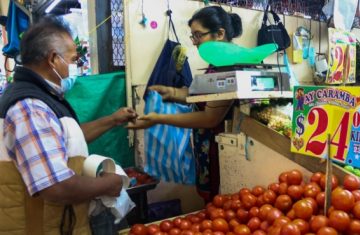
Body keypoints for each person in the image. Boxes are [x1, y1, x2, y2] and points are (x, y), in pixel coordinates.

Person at [0, 16, 137, 234]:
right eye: (73, 59)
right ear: (53, 59)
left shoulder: (43, 98)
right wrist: (108, 184)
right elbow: (55, 185)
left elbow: (61, 139)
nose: (74, 66)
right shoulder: (30, 107)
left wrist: (113, 119)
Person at [127, 6, 242, 202]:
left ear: (220, 34)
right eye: (193, 37)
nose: (195, 43)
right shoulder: (217, 63)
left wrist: (159, 119)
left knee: (222, 204)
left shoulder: (229, 66)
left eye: (199, 36)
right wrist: (171, 92)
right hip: (207, 146)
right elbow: (202, 93)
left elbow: (209, 118)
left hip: (222, 150)